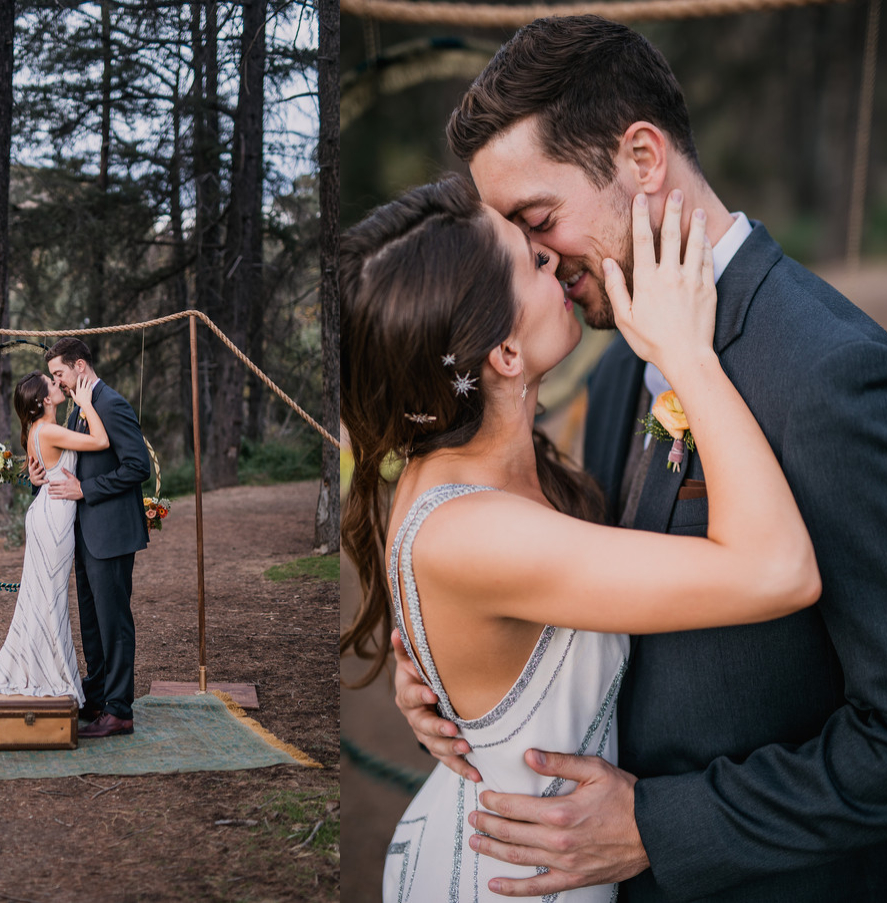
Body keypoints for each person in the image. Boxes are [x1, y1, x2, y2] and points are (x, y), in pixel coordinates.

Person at [393, 15, 887, 901]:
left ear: (642, 159)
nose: (535, 258)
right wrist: (472, 687)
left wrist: (661, 825)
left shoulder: (833, 380)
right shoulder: (619, 369)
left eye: (540, 221)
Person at [341, 176, 821, 901]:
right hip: (503, 880)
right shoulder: (474, 532)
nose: (553, 256)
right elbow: (779, 569)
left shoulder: (486, 468)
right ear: (503, 352)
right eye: (531, 262)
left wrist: (456, 697)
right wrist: (689, 356)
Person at [0, 370, 107, 732]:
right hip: (53, 522)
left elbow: (42, 467)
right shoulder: (49, 429)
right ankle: (48, 676)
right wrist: (86, 403)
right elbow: (101, 441)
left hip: (46, 514)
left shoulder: (35, 433)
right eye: (53, 384)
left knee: (45, 600)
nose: (60, 385)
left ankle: (47, 668)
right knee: (49, 601)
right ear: (43, 400)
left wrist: (35, 473)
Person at [29, 337, 151, 739]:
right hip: (85, 535)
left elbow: (138, 467)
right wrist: (40, 480)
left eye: (59, 373)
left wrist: (87, 490)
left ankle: (119, 711)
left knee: (114, 623)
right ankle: (96, 695)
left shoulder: (111, 404)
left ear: (80, 366)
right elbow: (69, 463)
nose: (57, 382)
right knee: (93, 623)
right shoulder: (81, 411)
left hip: (111, 534)